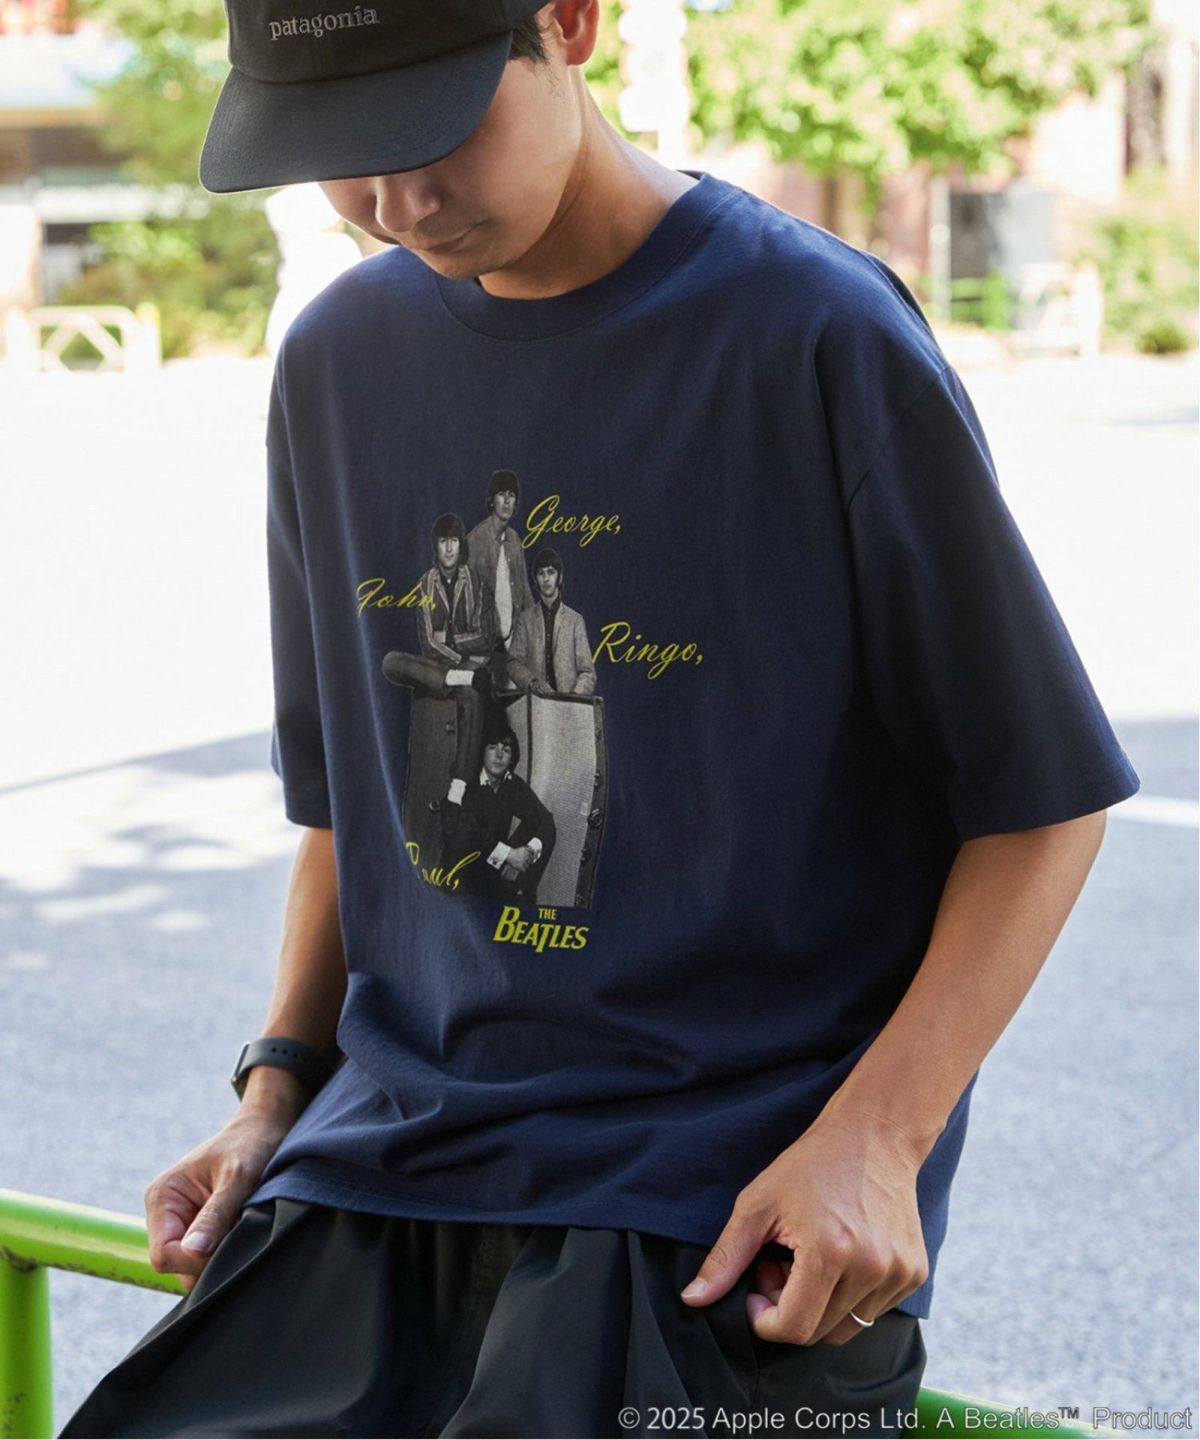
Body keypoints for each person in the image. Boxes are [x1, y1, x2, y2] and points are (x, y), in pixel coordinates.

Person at [60, 2, 1141, 1437]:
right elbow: (348, 809)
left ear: (569, 23)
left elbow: (1040, 800)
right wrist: (274, 1093)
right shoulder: (339, 360)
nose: (396, 202)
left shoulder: (813, 330)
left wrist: (879, 1147)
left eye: (429, 131)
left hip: (717, 1206)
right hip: (382, 1167)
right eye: (338, 153)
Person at [380, 512, 497, 810]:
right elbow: (428, 643)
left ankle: (457, 789)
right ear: (436, 545)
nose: (448, 548)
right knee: (390, 661)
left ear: (461, 545)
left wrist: (450, 640)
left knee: (473, 696)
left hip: (469, 668)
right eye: (443, 541)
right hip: (440, 670)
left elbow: (486, 636)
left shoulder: (476, 582)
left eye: (454, 541)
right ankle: (458, 678)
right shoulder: (425, 584)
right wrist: (457, 652)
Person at [439, 722, 556, 902]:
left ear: (512, 759)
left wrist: (526, 852)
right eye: (493, 747)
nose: (499, 755)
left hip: (490, 881)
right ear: (482, 752)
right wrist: (509, 855)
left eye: (506, 750)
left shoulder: (512, 785)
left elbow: (545, 820)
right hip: (456, 878)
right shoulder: (466, 782)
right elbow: (465, 832)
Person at [465, 469, 535, 681]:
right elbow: (465, 600)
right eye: (501, 494)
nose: (506, 501)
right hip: (483, 649)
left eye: (511, 495)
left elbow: (525, 594)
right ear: (491, 500)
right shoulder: (475, 541)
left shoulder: (515, 540)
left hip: (512, 644)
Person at [507, 545, 598, 696]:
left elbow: (588, 673)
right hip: (536, 702)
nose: (546, 578)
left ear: (559, 577)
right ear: (536, 579)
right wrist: (532, 683)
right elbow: (513, 663)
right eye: (541, 573)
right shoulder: (525, 619)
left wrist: (573, 698)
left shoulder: (575, 621)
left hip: (569, 704)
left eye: (551, 572)